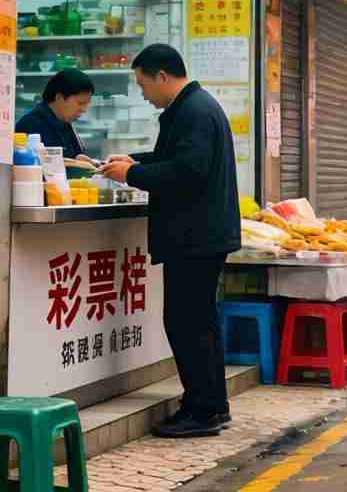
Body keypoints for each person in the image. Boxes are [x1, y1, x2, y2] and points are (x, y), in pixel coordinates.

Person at [99, 45, 239, 438]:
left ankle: (202, 410)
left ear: (162, 76)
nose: (144, 94)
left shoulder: (194, 111)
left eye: (143, 84)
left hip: (195, 237)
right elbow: (174, 158)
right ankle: (210, 405)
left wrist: (132, 175)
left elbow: (187, 172)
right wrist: (134, 161)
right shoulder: (193, 107)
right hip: (201, 235)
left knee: (186, 323)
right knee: (198, 323)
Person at [16, 68, 96, 161]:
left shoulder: (64, 122)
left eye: (87, 104)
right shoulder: (31, 125)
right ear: (59, 98)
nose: (84, 109)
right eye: (80, 103)